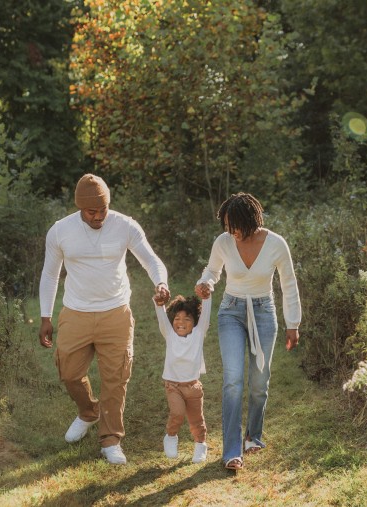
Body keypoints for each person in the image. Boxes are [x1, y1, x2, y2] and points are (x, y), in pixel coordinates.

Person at [39, 173, 170, 465]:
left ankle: (110, 439)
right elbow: (50, 274)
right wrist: (45, 316)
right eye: (91, 212)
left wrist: (161, 282)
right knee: (69, 372)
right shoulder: (60, 231)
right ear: (79, 207)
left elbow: (150, 259)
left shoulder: (125, 225)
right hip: (76, 311)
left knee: (116, 378)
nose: (98, 216)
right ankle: (88, 412)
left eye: (103, 210)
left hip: (116, 312)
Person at [194, 192, 301, 471]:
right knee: (233, 380)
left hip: (264, 313)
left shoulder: (276, 244)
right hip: (230, 311)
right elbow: (212, 271)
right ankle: (231, 451)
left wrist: (293, 323)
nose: (233, 232)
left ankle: (253, 436)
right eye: (228, 226)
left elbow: (288, 283)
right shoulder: (224, 241)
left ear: (252, 220)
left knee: (259, 382)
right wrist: (205, 283)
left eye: (237, 226)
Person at [152, 293, 212, 464]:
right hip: (173, 386)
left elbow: (206, 315)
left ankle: (200, 445)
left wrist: (207, 297)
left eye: (187, 319)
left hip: (193, 386)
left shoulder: (199, 334)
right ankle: (171, 436)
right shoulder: (169, 335)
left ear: (195, 322)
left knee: (197, 421)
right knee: (177, 413)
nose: (181, 323)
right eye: (177, 318)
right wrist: (158, 304)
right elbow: (162, 318)